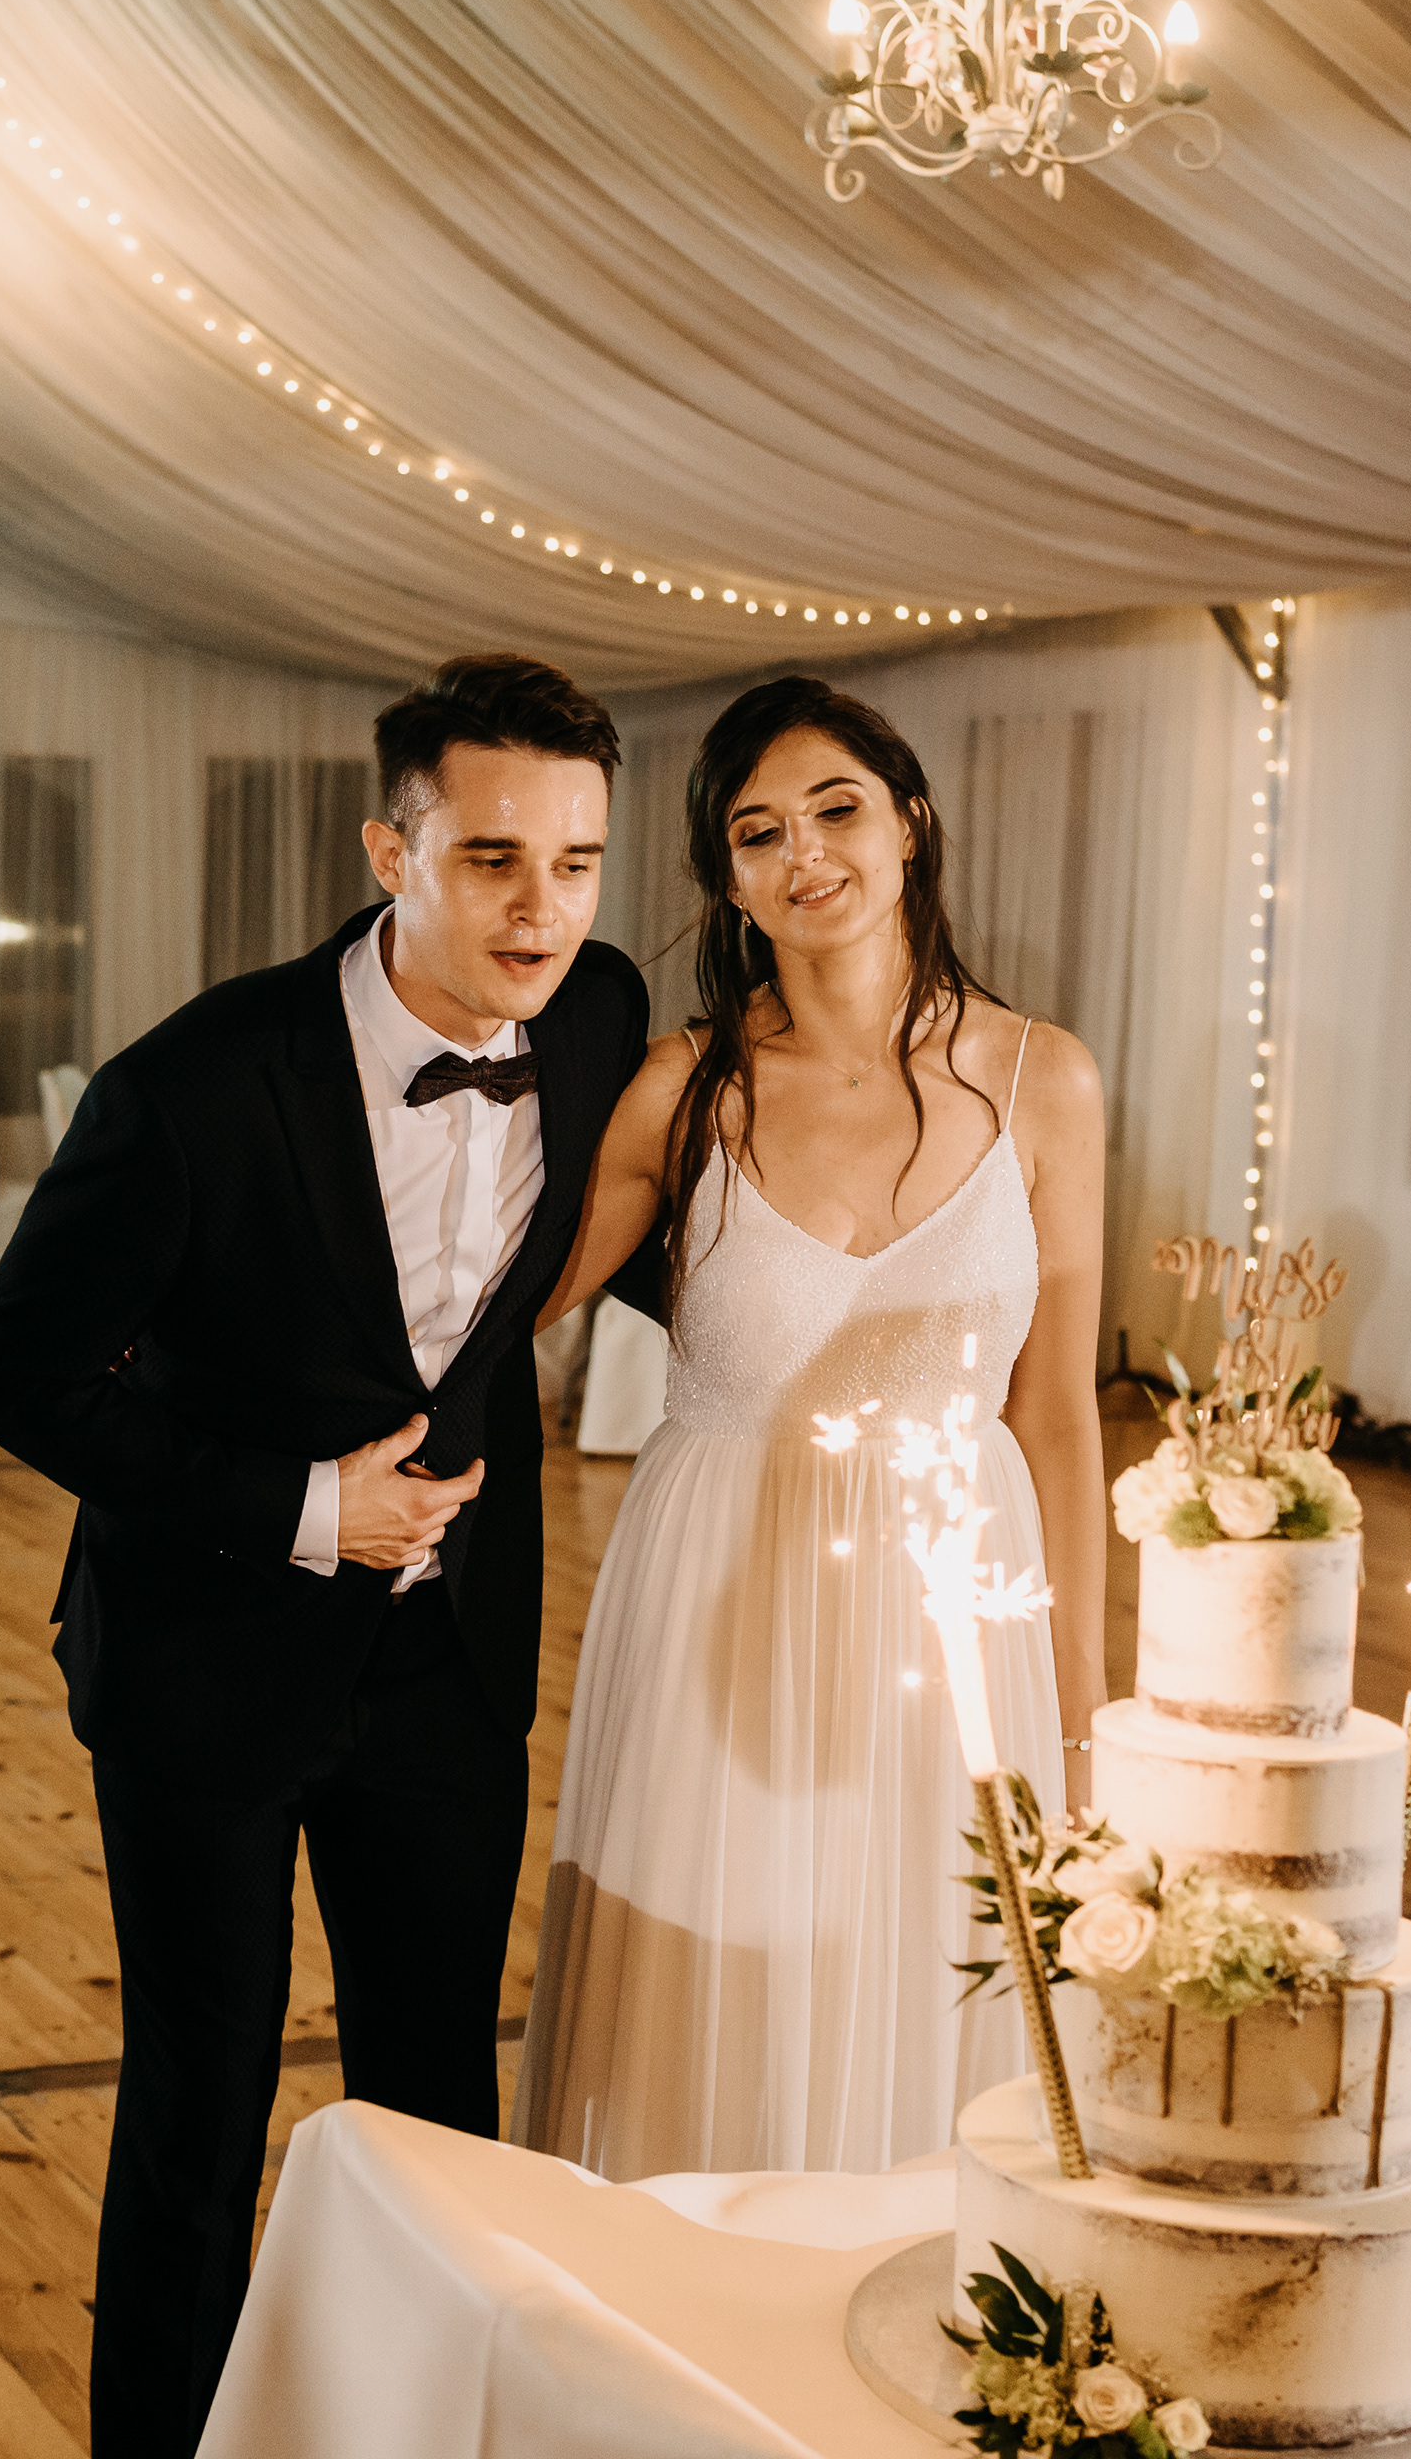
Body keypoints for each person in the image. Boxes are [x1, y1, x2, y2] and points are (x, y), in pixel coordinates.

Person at [0, 653, 647, 2459]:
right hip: (205, 1663)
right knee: (203, 2102)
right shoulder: (193, 1084)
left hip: (448, 1667)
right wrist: (305, 1507)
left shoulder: (599, 1015)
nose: (542, 909)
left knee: (437, 2101)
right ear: (390, 851)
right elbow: (15, 1373)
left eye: (577, 862)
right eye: (493, 858)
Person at [510, 674, 1108, 2183]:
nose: (806, 854)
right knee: (722, 1990)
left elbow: (1056, 1417)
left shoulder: (1045, 1080)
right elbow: (499, 1315)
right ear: (728, 878)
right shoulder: (684, 1089)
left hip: (958, 1613)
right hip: (722, 1596)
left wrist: (1085, 1717)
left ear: (910, 823)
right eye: (759, 831)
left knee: (936, 1972)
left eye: (836, 809)